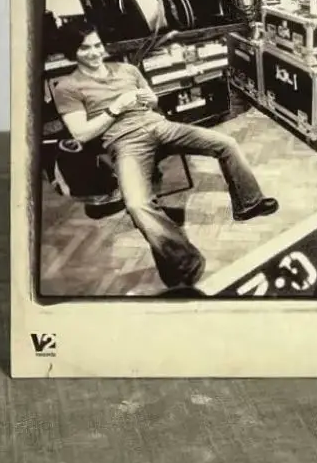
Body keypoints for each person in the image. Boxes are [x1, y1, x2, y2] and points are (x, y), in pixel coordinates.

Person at [51, 21, 278, 292]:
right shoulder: (67, 87)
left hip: (160, 126)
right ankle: (184, 262)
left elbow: (154, 101)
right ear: (72, 52)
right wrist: (115, 108)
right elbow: (81, 134)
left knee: (226, 143)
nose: (94, 53)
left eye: (97, 45)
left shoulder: (127, 69)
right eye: (85, 48)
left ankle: (249, 204)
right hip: (125, 142)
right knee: (137, 205)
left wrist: (149, 99)